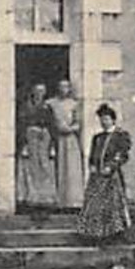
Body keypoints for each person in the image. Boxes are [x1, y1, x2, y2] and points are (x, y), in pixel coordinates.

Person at [77, 103, 133, 244]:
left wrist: (111, 166)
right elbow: (92, 155)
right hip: (97, 176)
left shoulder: (121, 136)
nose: (104, 122)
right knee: (94, 204)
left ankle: (115, 233)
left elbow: (122, 155)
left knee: (113, 205)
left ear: (113, 120)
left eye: (107, 119)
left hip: (111, 177)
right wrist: (92, 166)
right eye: (102, 119)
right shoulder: (98, 137)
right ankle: (94, 234)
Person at [16, 83, 57, 211]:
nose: (40, 94)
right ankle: (30, 197)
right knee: (29, 167)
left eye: (42, 91)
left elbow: (52, 124)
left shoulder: (47, 107)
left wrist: (51, 142)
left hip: (44, 139)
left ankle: (45, 198)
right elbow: (22, 123)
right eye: (37, 91)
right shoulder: (26, 107)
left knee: (45, 168)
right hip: (30, 139)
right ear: (33, 91)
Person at [48, 81, 85, 209]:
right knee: (57, 167)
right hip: (56, 138)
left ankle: (72, 201)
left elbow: (78, 123)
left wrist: (69, 128)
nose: (63, 89)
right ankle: (58, 201)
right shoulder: (51, 103)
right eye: (61, 86)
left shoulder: (74, 104)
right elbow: (48, 120)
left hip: (70, 139)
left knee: (71, 168)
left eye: (66, 87)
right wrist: (57, 128)